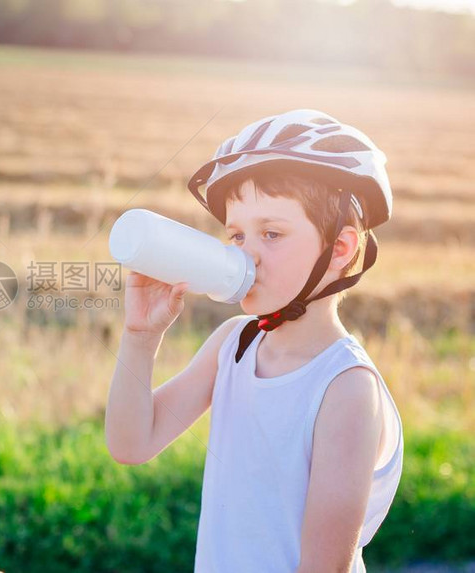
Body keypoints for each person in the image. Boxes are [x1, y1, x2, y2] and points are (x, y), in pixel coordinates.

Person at [104, 109, 404, 572]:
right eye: (237, 234)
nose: (247, 254)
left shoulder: (344, 388)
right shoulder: (235, 343)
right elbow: (131, 443)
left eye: (271, 233)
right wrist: (140, 337)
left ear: (340, 249)